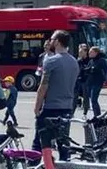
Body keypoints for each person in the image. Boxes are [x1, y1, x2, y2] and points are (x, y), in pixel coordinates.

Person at [33, 30, 80, 160]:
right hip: (67, 107)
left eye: (52, 39)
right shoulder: (74, 62)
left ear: (58, 42)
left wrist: (37, 107)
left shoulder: (51, 61)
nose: (50, 41)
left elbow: (43, 86)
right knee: (63, 144)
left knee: (39, 143)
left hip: (50, 107)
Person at [83, 46, 107, 120]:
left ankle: (97, 115)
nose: (89, 53)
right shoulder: (91, 61)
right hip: (90, 82)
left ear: (96, 53)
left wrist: (104, 80)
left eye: (91, 52)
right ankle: (96, 114)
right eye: (89, 52)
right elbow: (87, 69)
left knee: (94, 99)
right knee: (92, 99)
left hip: (97, 82)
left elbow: (105, 71)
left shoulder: (101, 60)